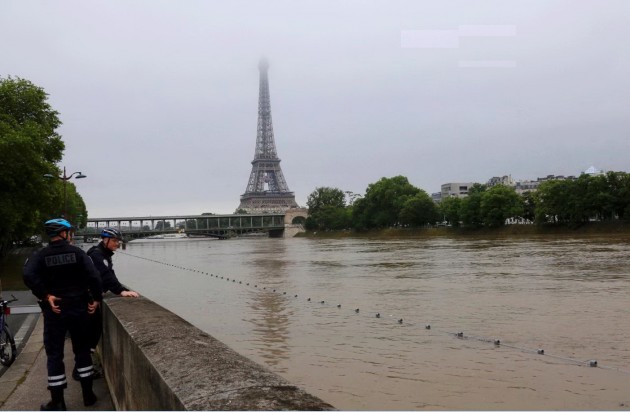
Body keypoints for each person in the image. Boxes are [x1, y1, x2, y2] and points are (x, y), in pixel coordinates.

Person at [23, 218, 102, 411]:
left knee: (55, 354)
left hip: (55, 311)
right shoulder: (78, 253)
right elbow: (94, 276)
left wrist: (45, 295)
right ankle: (88, 395)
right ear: (64, 233)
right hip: (79, 308)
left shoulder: (40, 256)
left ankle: (58, 402)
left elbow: (28, 275)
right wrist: (96, 298)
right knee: (82, 350)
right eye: (69, 232)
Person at [85, 228, 138, 364]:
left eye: (118, 241)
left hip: (91, 295)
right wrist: (120, 292)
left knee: (93, 330)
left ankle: (85, 363)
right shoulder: (97, 255)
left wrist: (122, 289)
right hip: (88, 297)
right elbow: (105, 275)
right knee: (93, 330)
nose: (117, 243)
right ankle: (84, 364)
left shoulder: (102, 254)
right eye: (114, 241)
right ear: (105, 240)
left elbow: (110, 274)